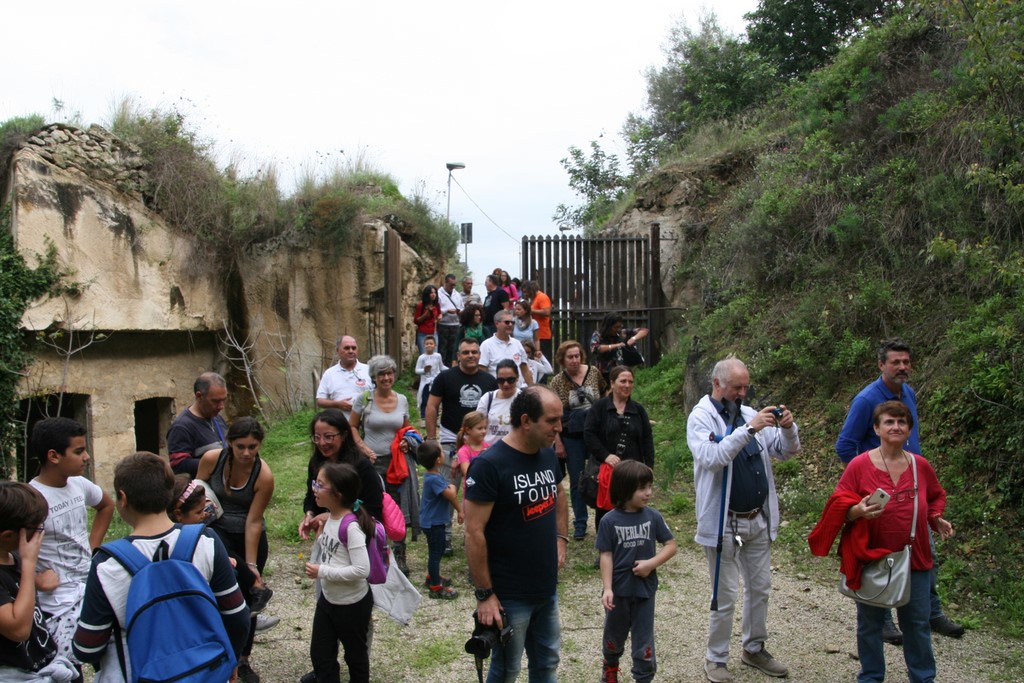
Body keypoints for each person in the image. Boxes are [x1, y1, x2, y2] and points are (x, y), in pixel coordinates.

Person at [72, 452, 250, 683]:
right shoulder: (205, 541)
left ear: (123, 498)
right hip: (204, 672)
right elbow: (238, 616)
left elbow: (88, 648)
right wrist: (230, 658)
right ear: (169, 494)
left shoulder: (107, 564)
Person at [812, 401, 952, 683]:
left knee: (917, 624)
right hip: (871, 557)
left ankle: (923, 678)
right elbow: (839, 505)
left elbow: (936, 495)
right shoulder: (859, 465)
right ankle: (871, 677)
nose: (896, 427)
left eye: (902, 422)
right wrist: (857, 511)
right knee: (870, 625)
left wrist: (935, 517)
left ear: (909, 429)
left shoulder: (920, 466)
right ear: (876, 429)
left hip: (915, 557)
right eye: (889, 422)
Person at [835, 339, 963, 643]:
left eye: (906, 362)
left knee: (924, 553)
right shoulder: (867, 399)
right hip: (881, 495)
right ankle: (882, 619)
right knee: (880, 557)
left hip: (913, 484)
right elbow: (845, 445)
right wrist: (869, 476)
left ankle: (931, 612)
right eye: (896, 362)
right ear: (882, 365)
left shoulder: (908, 393)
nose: (902, 367)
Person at [686, 357, 799, 683]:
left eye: (746, 387)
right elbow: (713, 457)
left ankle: (754, 648)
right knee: (724, 596)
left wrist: (788, 427)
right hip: (724, 523)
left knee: (760, 588)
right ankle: (716, 658)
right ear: (717, 384)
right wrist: (749, 430)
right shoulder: (700, 418)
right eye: (737, 387)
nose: (743, 393)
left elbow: (787, 451)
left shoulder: (750, 414)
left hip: (757, 519)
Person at [464, 386, 569, 683]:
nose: (559, 428)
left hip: (546, 587)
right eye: (551, 420)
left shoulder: (547, 454)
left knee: (547, 664)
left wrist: (561, 539)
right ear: (526, 421)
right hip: (508, 595)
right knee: (506, 671)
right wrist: (485, 595)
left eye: (560, 419)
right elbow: (473, 532)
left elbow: (560, 493)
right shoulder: (489, 465)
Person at [29, 417, 115, 676]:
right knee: (67, 670)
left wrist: (93, 547)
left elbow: (106, 505)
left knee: (109, 656)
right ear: (53, 456)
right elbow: (10, 551)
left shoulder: (79, 484)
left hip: (89, 588)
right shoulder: (32, 500)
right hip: (57, 604)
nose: (86, 457)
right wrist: (34, 580)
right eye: (79, 451)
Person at [196, 417, 275, 683]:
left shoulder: (263, 475)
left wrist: (250, 565)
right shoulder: (212, 459)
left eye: (252, 447)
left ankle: (243, 659)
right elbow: (196, 492)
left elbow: (253, 521)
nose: (246, 453)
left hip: (247, 535)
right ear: (229, 443)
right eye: (240, 446)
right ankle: (215, 652)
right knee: (218, 594)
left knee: (247, 601)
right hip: (215, 529)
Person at [597, 461, 678, 683]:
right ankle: (610, 668)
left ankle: (643, 677)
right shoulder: (609, 521)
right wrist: (607, 588)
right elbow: (606, 555)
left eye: (650, 486)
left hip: (644, 591)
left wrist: (651, 564)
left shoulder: (653, 517)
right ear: (624, 489)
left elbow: (671, 546)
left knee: (644, 643)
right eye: (642, 488)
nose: (648, 493)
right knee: (613, 636)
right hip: (618, 593)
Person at [304, 462, 375, 683]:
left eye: (320, 485)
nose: (314, 489)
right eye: (315, 483)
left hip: (352, 605)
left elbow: (362, 569)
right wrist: (320, 536)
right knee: (321, 654)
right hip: (328, 600)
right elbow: (335, 552)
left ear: (338, 494)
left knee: (355, 657)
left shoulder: (351, 526)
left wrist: (322, 571)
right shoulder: (330, 517)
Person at [425, 338, 498, 554]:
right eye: (466, 352)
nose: (471, 356)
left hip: (480, 445)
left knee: (480, 488)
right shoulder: (445, 377)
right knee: (447, 489)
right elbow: (432, 406)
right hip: (450, 440)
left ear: (479, 355)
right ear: (458, 356)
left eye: (474, 352)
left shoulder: (489, 380)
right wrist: (432, 438)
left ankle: (480, 533)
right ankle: (444, 535)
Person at [0, 482, 77, 682]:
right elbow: (18, 630)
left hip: (44, 663)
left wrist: (34, 580)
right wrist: (28, 564)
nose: (41, 534)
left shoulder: (12, 558)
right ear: (8, 536)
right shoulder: (23, 561)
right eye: (37, 529)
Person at [350, 354, 415, 574]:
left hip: (396, 463)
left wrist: (406, 441)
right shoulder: (364, 399)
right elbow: (352, 426)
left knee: (397, 509)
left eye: (389, 373)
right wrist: (362, 447)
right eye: (381, 374)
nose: (386, 378)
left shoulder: (402, 399)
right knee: (373, 507)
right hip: (370, 463)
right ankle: (374, 553)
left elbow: (406, 429)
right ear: (374, 377)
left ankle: (400, 556)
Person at [584, 366, 654, 540]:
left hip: (633, 470)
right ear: (612, 383)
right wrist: (605, 456)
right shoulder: (599, 407)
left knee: (633, 506)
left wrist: (649, 467)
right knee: (606, 510)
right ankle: (605, 546)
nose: (627, 385)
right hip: (607, 470)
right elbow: (589, 434)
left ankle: (632, 543)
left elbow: (647, 439)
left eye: (630, 382)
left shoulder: (638, 410)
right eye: (623, 381)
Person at [549, 341, 607, 541]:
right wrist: (558, 441)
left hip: (595, 434)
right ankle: (580, 523)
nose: (574, 360)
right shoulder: (557, 381)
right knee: (577, 479)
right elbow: (553, 415)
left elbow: (604, 395)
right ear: (562, 359)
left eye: (577, 356)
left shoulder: (593, 373)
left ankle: (603, 520)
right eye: (570, 357)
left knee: (600, 476)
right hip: (571, 436)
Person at [299, 410, 385, 541]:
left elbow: (373, 511)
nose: (322, 443)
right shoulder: (316, 463)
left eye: (328, 436)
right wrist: (310, 514)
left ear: (344, 435)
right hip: (330, 538)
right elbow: (311, 496)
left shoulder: (362, 466)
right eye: (317, 437)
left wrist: (335, 517)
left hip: (359, 537)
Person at [417, 441, 461, 600]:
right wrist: (453, 487)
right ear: (438, 460)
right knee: (436, 554)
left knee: (437, 550)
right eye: (442, 451)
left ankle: (432, 577)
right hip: (433, 523)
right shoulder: (434, 479)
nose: (444, 454)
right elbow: (451, 494)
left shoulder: (434, 475)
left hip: (433, 522)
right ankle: (436, 587)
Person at [167, 372, 229, 477]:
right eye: (216, 401)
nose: (221, 406)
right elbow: (178, 465)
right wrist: (216, 463)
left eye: (223, 400)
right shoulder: (181, 427)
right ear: (199, 396)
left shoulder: (217, 418)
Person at [316, 336, 372, 421]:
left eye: (354, 348)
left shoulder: (369, 370)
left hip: (367, 423)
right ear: (337, 351)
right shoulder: (329, 374)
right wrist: (337, 404)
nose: (351, 351)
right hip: (340, 424)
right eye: (346, 348)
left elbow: (381, 395)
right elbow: (320, 401)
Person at [479, 311, 533, 387]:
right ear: (497, 324)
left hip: (516, 391)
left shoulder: (517, 343)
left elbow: (525, 370)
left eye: (512, 322)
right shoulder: (486, 345)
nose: (510, 325)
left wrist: (532, 388)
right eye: (507, 322)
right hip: (495, 390)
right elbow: (482, 372)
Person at [476, 359, 522, 444]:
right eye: (501, 380)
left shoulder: (524, 398)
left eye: (510, 380)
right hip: (489, 449)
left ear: (517, 377)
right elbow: (477, 426)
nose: (505, 384)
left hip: (515, 449)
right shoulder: (487, 398)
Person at [590, 314, 648, 381]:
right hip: (604, 373)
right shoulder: (598, 334)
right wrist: (616, 345)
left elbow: (644, 331)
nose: (618, 329)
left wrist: (633, 338)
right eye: (616, 327)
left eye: (620, 326)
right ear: (608, 326)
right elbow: (595, 348)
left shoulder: (621, 333)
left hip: (620, 371)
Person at [520, 281, 553, 360]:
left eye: (526, 292)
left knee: (542, 358)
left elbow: (546, 312)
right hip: (536, 334)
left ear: (531, 290)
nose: (525, 294)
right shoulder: (534, 298)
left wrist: (530, 310)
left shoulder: (542, 297)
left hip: (543, 334)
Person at [437, 274, 464, 367]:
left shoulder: (457, 295)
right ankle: (441, 367)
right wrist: (446, 311)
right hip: (443, 325)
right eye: (451, 284)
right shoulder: (439, 294)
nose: (453, 287)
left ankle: (450, 367)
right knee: (442, 348)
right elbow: (436, 310)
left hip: (455, 325)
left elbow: (462, 308)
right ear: (445, 282)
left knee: (453, 349)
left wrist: (459, 311)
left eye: (454, 285)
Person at [414, 336, 443, 420]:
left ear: (435, 345)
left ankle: (435, 416)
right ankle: (423, 416)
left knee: (436, 400)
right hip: (425, 382)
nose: (429, 345)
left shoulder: (438, 356)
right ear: (424, 345)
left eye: (431, 344)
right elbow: (417, 370)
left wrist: (451, 370)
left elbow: (441, 367)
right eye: (427, 344)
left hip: (436, 382)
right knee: (424, 400)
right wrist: (424, 370)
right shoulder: (422, 357)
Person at [413, 285, 442, 356]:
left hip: (434, 333)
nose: (433, 294)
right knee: (424, 355)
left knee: (435, 355)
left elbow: (440, 313)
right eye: (431, 293)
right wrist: (426, 314)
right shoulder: (421, 306)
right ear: (427, 294)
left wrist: (439, 317)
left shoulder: (437, 305)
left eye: (435, 292)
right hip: (422, 334)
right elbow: (416, 321)